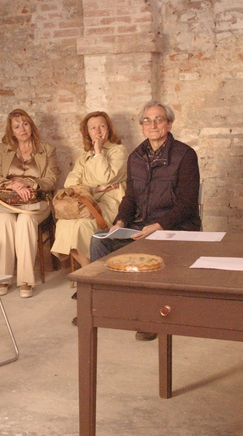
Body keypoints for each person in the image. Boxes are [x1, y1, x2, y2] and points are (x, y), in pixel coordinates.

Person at [87, 102, 200, 339]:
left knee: (150, 245)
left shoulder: (185, 155)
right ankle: (104, 306)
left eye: (159, 119)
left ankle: (149, 318)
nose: (153, 125)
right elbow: (130, 198)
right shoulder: (135, 156)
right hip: (141, 225)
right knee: (99, 240)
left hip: (174, 227)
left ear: (169, 123)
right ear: (141, 126)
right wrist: (119, 222)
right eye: (147, 121)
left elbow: (187, 204)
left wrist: (158, 226)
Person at [0, 109, 59, 299]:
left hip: (36, 201)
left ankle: (26, 280)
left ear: (31, 125)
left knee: (25, 222)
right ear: (11, 131)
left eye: (25, 123)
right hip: (6, 200)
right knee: (4, 221)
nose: (22, 129)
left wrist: (32, 183)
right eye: (17, 126)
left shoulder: (46, 149)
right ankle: (3, 277)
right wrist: (13, 184)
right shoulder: (3, 149)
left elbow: (51, 179)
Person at [51, 111, 127, 268]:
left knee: (82, 226)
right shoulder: (84, 157)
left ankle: (89, 276)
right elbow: (70, 183)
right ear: (87, 132)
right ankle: (91, 273)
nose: (98, 132)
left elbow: (106, 177)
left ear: (109, 129)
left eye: (102, 126)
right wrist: (96, 189)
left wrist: (98, 152)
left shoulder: (118, 151)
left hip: (109, 202)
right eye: (93, 128)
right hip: (85, 203)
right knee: (63, 226)